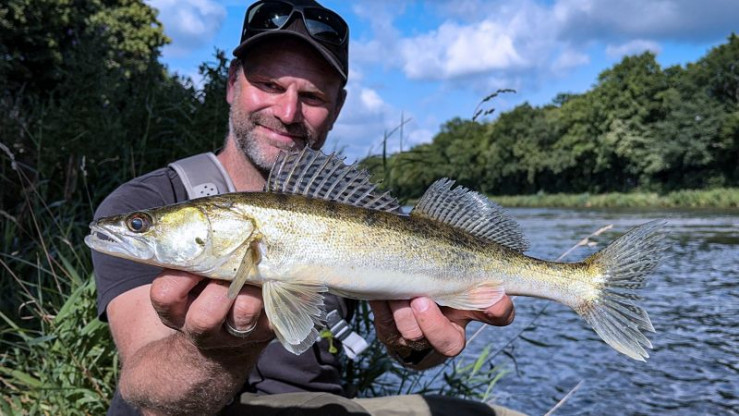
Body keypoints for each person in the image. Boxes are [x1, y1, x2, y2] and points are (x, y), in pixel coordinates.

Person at [91, 1, 521, 415]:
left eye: (312, 96)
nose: (288, 111)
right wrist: (212, 352)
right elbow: (149, 397)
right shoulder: (146, 199)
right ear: (232, 83)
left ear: (338, 107)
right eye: (270, 85)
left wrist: (415, 342)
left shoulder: (337, 202)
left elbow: (418, 350)